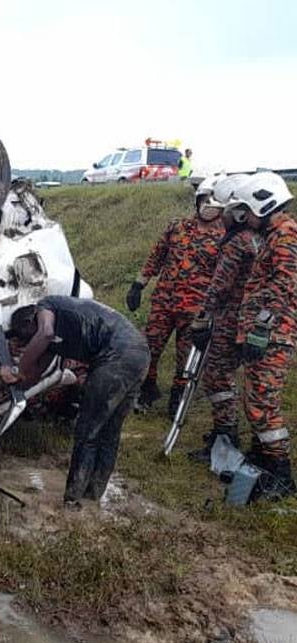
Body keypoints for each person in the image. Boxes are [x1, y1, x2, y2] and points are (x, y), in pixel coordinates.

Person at [3, 296, 149, 505]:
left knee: (88, 430)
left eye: (24, 337)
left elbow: (44, 333)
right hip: (139, 354)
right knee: (109, 431)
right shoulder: (54, 341)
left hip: (117, 355)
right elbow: (35, 374)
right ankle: (93, 494)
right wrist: (15, 386)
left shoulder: (46, 307)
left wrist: (17, 369)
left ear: (30, 320)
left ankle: (73, 499)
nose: (26, 344)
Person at [126, 176, 225, 417]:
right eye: (204, 200)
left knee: (186, 356)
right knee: (149, 346)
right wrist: (139, 284)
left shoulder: (224, 238)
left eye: (214, 201)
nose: (208, 206)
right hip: (164, 302)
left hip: (195, 309)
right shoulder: (177, 227)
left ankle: (178, 397)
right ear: (197, 201)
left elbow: (226, 276)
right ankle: (147, 389)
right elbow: (156, 257)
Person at [229, 172, 297, 500]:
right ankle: (262, 462)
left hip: (274, 334)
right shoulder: (273, 235)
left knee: (263, 404)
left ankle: (282, 475)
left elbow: (284, 285)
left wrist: (260, 328)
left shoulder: (285, 235)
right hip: (266, 333)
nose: (244, 217)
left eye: (247, 210)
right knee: (254, 398)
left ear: (264, 203)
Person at [189, 174, 260, 462]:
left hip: (231, 318)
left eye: (226, 211)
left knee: (218, 377)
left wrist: (202, 318)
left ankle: (225, 435)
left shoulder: (236, 243)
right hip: (250, 319)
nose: (222, 217)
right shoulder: (257, 239)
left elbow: (220, 285)